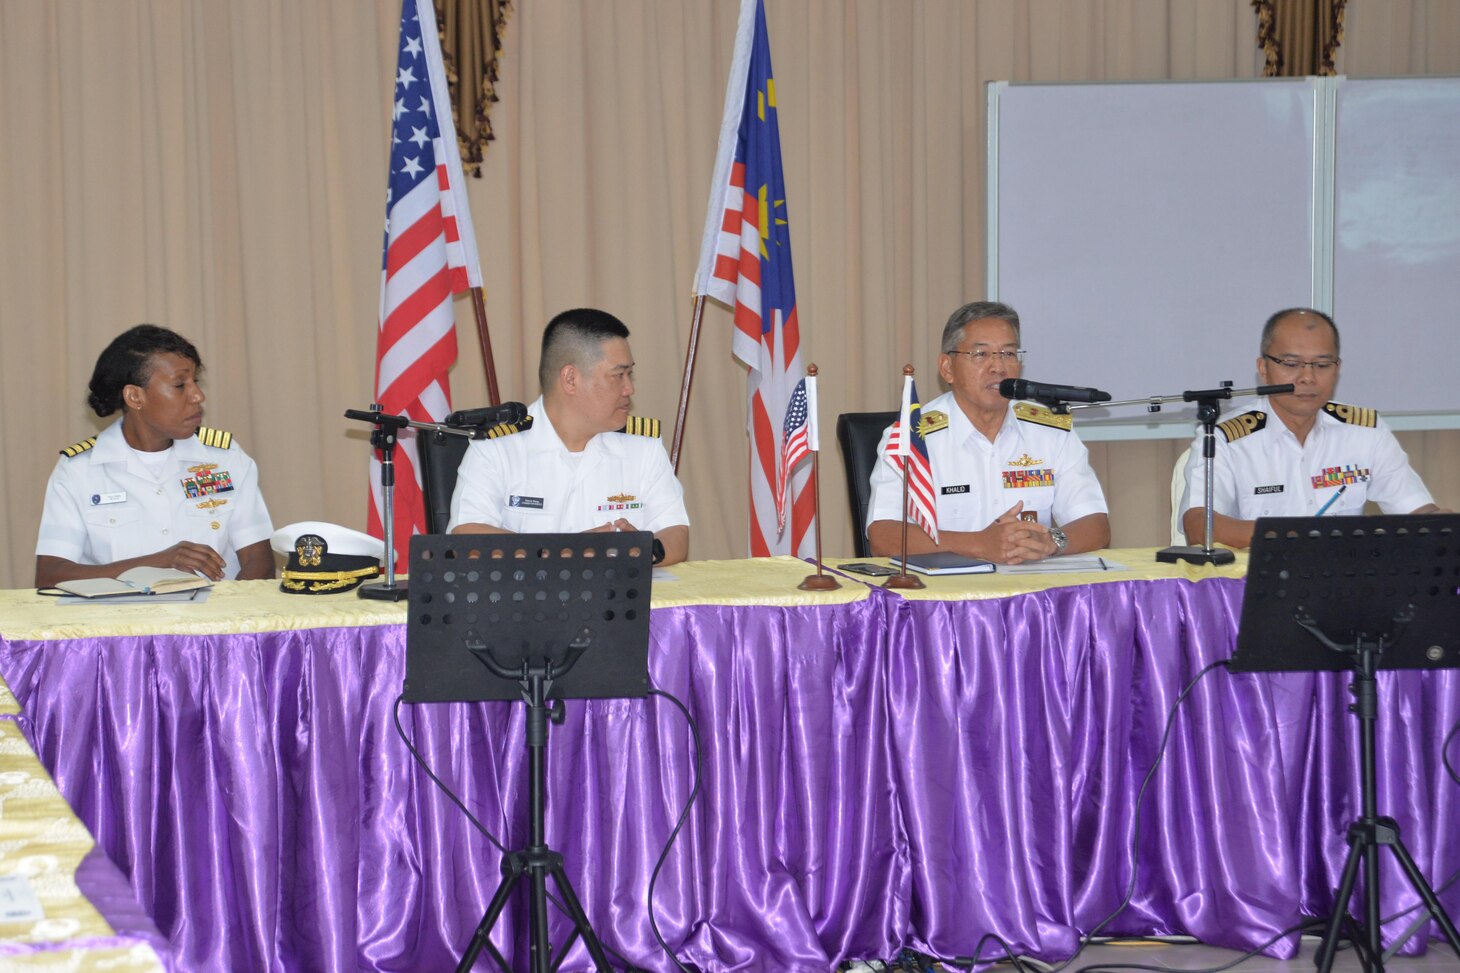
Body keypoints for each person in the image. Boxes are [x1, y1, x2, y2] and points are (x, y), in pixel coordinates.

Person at [866, 301, 1111, 563]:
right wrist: (978, 544)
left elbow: (1095, 524)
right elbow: (883, 536)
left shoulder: (1050, 429)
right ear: (947, 368)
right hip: (947, 596)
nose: (998, 367)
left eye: (1008, 354)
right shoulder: (912, 438)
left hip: (1030, 592)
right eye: (981, 355)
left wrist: (1051, 541)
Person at [1179, 307, 1444, 549]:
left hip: (1346, 586)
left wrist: (1445, 526)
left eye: (1321, 365)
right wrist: (1301, 535)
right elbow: (1199, 526)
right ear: (1263, 368)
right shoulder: (1225, 437)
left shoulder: (1365, 431)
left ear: (1337, 369)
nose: (1307, 377)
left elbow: (1420, 514)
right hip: (1256, 588)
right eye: (1292, 364)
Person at [36, 324, 275, 587]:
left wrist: (222, 620)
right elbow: (50, 576)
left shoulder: (225, 459)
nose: (198, 395)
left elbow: (259, 562)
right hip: (120, 624)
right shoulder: (78, 470)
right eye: (180, 385)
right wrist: (157, 562)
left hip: (210, 621)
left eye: (196, 381)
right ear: (135, 396)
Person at [448, 308, 690, 565]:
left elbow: (676, 534)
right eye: (618, 375)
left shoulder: (643, 447)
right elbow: (466, 538)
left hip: (618, 601)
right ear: (570, 379)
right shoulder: (497, 446)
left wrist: (642, 549)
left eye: (630, 374)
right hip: (526, 601)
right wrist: (565, 552)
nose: (629, 388)